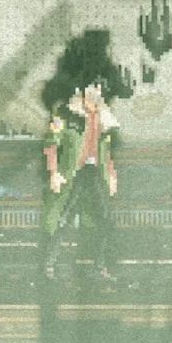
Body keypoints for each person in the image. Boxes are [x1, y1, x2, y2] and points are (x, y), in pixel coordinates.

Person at [41, 82, 119, 280]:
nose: (96, 91)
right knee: (61, 219)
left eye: (99, 88)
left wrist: (111, 175)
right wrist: (54, 172)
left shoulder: (104, 118)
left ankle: (100, 267)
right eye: (92, 87)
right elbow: (51, 145)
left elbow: (106, 152)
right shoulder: (64, 115)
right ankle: (49, 265)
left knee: (103, 220)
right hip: (72, 175)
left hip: (95, 174)